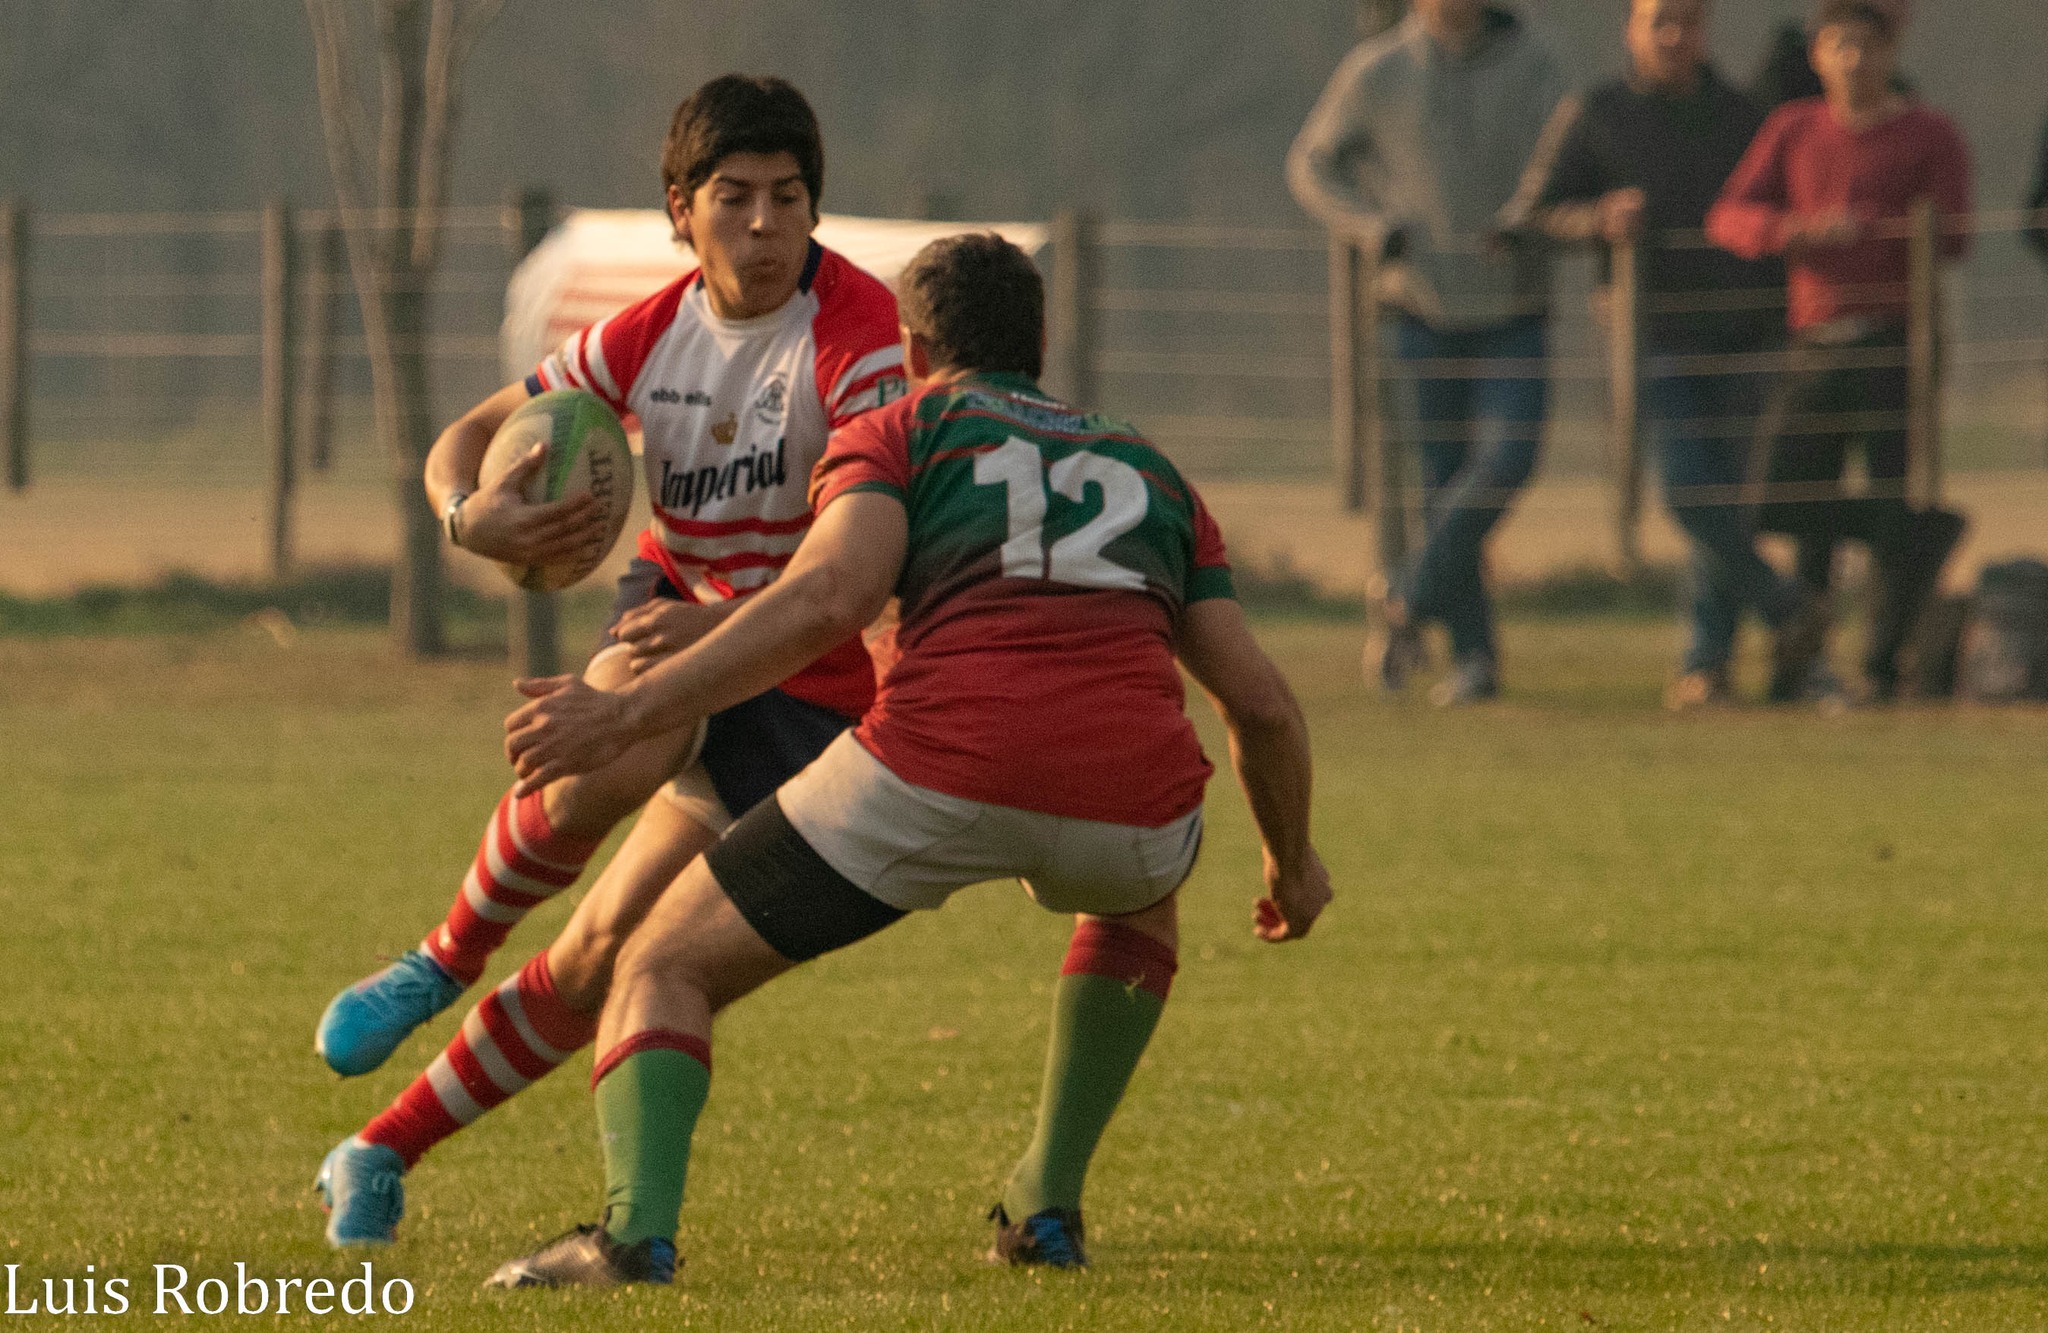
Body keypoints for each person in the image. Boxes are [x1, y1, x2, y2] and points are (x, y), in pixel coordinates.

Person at [480, 233, 1333, 1287]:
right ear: (1042, 343)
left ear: (913, 345)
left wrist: (627, 713)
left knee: (661, 962)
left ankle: (630, 1237)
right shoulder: (1149, 468)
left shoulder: (899, 426)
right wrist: (1290, 863)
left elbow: (827, 599)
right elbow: (1260, 705)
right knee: (1136, 899)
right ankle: (1045, 1204)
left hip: (935, 770)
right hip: (1133, 797)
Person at [312, 75, 908, 1246]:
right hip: (674, 616)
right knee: (612, 740)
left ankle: (375, 1149)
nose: (763, 224)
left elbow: (851, 580)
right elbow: (468, 439)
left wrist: (732, 621)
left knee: (599, 957)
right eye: (732, 197)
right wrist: (461, 515)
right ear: (679, 211)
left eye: (788, 198)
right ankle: (439, 960)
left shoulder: (858, 335)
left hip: (815, 686)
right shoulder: (652, 330)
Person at [1504, 0, 1825, 708]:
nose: (1676, 37)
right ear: (1632, 29)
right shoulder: (1598, 112)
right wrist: (1597, 218)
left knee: (1728, 506)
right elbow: (1532, 214)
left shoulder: (1745, 117)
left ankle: (1706, 665)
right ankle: (1786, 605)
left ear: (1707, 30)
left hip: (1748, 334)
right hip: (1651, 338)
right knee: (1688, 492)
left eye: (1689, 21)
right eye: (1661, 22)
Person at [1288, 0, 1566, 705]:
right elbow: (1312, 164)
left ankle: (1407, 594)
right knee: (1441, 483)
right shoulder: (1378, 70)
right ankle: (1474, 661)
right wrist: (1371, 225)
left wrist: (1538, 220)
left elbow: (1573, 159)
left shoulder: (1537, 64)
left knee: (1507, 460)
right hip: (1417, 307)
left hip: (1514, 304)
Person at [1707, 0, 1971, 701]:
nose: (1854, 61)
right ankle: (1803, 651)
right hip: (1813, 343)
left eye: (1867, 46)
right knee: (1785, 501)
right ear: (1817, 55)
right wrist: (1796, 232)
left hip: (1893, 343)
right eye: (1839, 46)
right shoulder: (1793, 129)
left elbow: (1953, 235)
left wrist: (1879, 233)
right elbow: (1730, 216)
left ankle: (1881, 664)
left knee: (1889, 495)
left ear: (1889, 54)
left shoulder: (1928, 132)